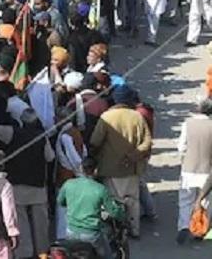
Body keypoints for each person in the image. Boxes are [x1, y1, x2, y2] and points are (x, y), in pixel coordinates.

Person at [0, 108, 53, 258]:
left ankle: (24, 253)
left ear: (22, 121)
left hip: (18, 185)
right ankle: (42, 252)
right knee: (40, 223)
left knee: (21, 222)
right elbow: (50, 157)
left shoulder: (12, 133)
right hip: (38, 186)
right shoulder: (42, 137)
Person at [89, 84, 152, 238]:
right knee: (132, 200)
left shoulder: (106, 117)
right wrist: (133, 156)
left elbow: (95, 141)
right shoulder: (137, 116)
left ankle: (116, 232)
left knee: (113, 201)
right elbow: (147, 142)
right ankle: (134, 230)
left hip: (110, 168)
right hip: (131, 168)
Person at [57, 157, 124, 258]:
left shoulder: (68, 184)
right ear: (96, 170)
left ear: (81, 168)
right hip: (91, 235)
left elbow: (60, 202)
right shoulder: (100, 189)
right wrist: (122, 215)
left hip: (71, 232)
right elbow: (114, 212)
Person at [177, 96, 212, 244]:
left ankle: (184, 225)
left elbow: (181, 146)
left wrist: (184, 158)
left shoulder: (187, 124)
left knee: (185, 200)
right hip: (207, 170)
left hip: (188, 169)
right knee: (205, 201)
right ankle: (201, 229)